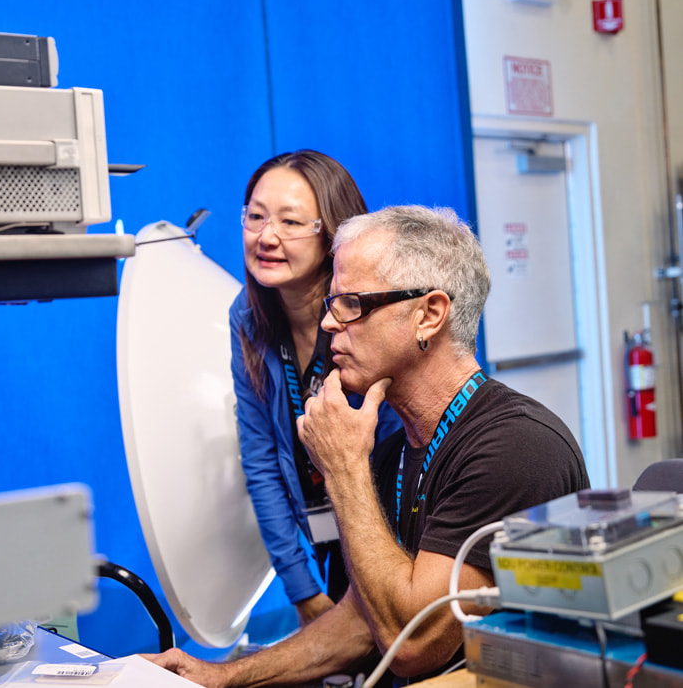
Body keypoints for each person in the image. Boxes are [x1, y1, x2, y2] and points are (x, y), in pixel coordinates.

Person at [148, 205, 590, 686]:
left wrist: (343, 468)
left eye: (353, 304)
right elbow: (362, 620)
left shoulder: (516, 449)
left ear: (430, 315)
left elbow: (412, 644)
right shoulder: (392, 451)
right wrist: (222, 677)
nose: (330, 325)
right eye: (331, 304)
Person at [230, 150, 403, 624]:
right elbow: (261, 459)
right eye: (256, 216)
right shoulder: (247, 318)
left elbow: (402, 455)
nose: (267, 236)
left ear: (332, 232)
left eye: (290, 222)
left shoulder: (376, 318)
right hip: (324, 539)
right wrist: (303, 592)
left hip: (397, 541)